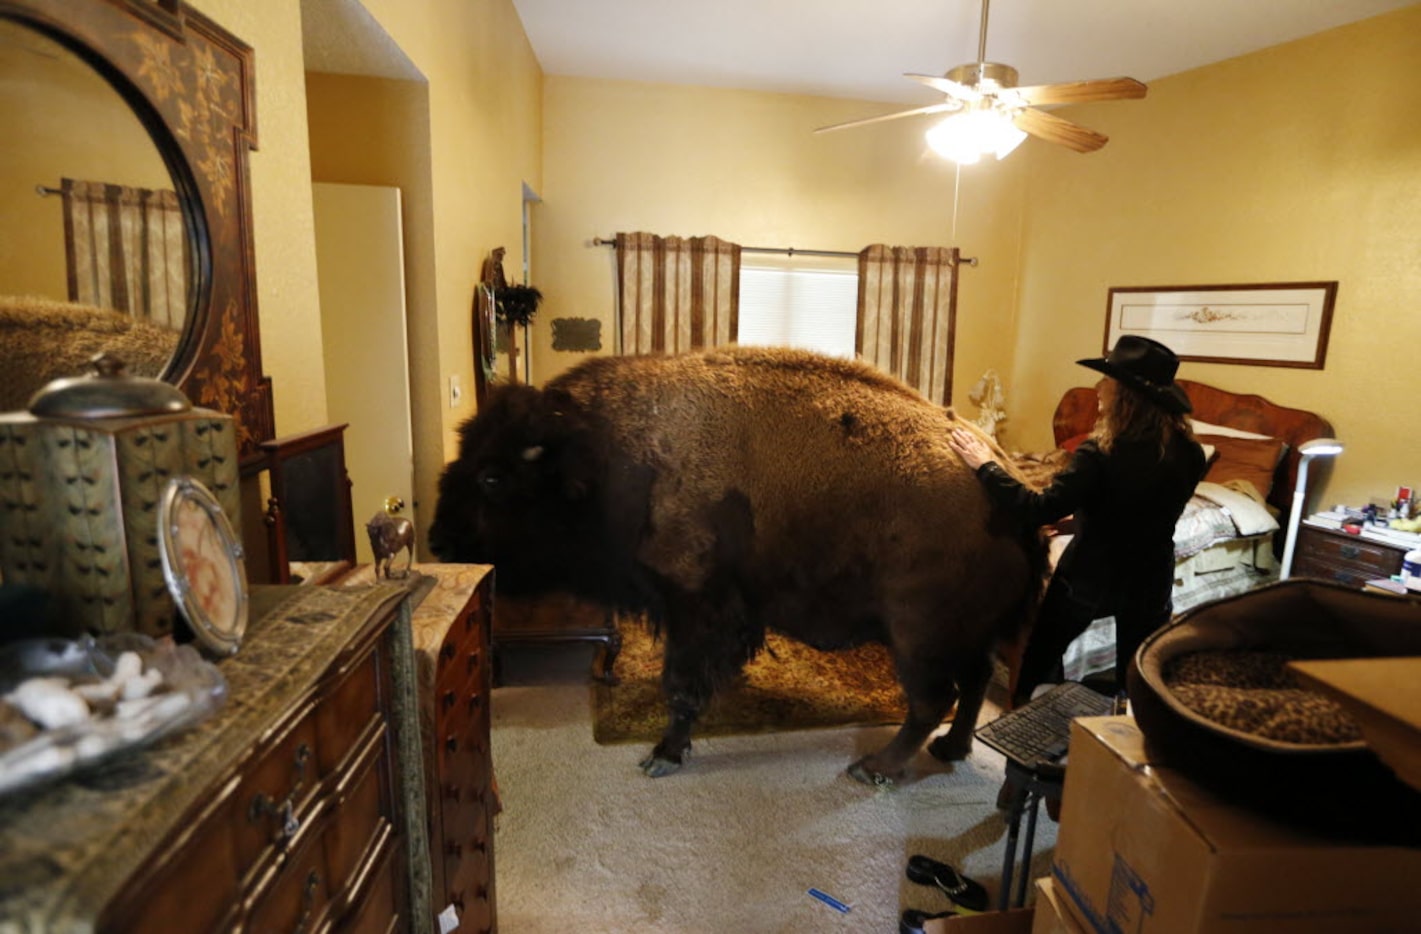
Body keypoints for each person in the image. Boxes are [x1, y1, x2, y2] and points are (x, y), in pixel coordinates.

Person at [947, 335, 1207, 707]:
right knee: (1137, 676)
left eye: (1108, 381)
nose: (1099, 388)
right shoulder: (1191, 453)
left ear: (1126, 395)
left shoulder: (1101, 451)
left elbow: (1036, 508)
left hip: (1091, 576)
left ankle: (1023, 738)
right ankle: (1121, 741)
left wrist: (984, 465)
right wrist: (1082, 517)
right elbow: (1140, 508)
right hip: (1151, 576)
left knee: (1039, 662)